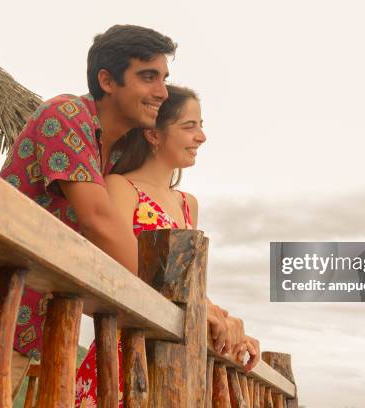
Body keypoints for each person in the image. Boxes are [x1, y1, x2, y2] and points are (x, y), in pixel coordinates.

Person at [0, 24, 249, 403]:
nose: (161, 92)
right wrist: (196, 306)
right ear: (107, 80)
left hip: (33, 320)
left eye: (164, 78)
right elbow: (100, 223)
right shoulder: (66, 115)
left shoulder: (114, 153)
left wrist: (212, 310)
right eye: (148, 77)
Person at [75, 85, 260, 407]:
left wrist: (225, 322)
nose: (201, 137)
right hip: (123, 350)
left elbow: (185, 283)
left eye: (201, 126)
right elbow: (119, 266)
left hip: (173, 358)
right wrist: (205, 309)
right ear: (153, 135)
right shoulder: (122, 186)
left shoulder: (188, 204)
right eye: (189, 126)